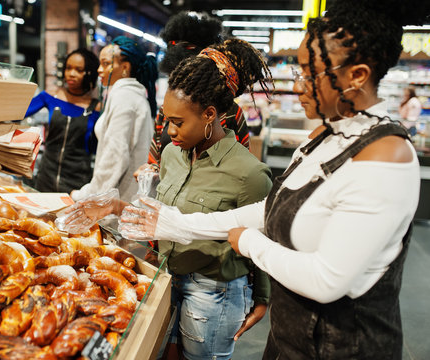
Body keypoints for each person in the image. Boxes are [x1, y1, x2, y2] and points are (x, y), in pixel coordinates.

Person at [119, 1, 427, 358]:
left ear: (357, 75)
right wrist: (178, 224)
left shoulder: (385, 156)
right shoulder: (325, 141)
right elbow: (269, 209)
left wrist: (249, 243)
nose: (299, 87)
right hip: (291, 340)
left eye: (310, 74)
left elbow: (326, 280)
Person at [59, 38, 273, 360]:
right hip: (167, 278)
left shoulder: (249, 174)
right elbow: (165, 218)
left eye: (177, 123)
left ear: (210, 115)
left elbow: (264, 238)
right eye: (166, 119)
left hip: (214, 293)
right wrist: (116, 207)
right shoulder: (173, 155)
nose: (168, 132)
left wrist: (262, 296)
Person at [144, 11, 253, 173]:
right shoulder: (165, 111)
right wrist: (150, 172)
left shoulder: (229, 111)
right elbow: (155, 158)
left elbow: (242, 166)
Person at [70, 36, 158, 202]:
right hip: (124, 198)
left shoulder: (124, 97)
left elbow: (114, 158)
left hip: (116, 203)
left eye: (106, 63)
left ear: (125, 67)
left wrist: (87, 196)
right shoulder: (132, 96)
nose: (99, 69)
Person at [24, 48, 100, 193]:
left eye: (79, 70)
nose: (71, 73)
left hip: (78, 183)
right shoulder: (51, 97)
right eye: (68, 68)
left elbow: (96, 147)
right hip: (46, 177)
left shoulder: (96, 108)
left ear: (89, 73)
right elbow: (18, 113)